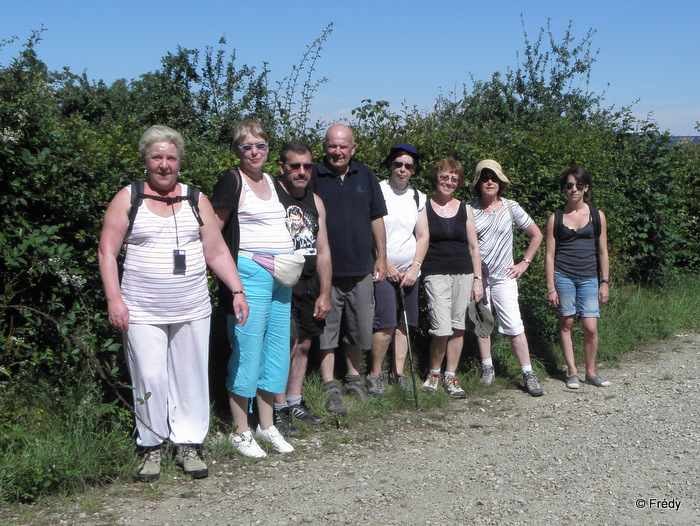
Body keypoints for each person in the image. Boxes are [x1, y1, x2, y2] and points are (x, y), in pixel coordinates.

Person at [98, 125, 249, 481]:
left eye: (170, 157)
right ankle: (151, 446)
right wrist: (114, 299)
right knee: (149, 375)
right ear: (146, 160)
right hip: (142, 309)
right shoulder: (128, 197)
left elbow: (216, 250)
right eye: (157, 157)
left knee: (190, 376)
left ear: (179, 161)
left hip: (192, 307)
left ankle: (188, 444)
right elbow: (107, 251)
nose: (164, 164)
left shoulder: (196, 199)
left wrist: (238, 290)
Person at [211, 119, 296, 458]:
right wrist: (231, 283)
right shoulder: (232, 181)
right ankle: (239, 430)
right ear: (237, 150)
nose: (255, 152)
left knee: (276, 351)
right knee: (247, 351)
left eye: (260, 145)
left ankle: (267, 425)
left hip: (281, 277)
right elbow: (213, 233)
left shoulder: (273, 182)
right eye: (247, 146)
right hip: (248, 274)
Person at [308, 124, 388, 414]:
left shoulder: (365, 175)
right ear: (325, 147)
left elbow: (376, 217)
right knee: (326, 328)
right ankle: (329, 383)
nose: (337, 151)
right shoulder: (314, 175)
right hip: (326, 271)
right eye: (332, 145)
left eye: (343, 146)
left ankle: (353, 377)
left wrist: (381, 257)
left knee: (358, 326)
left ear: (353, 149)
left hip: (361, 268)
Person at [468, 159, 544, 397]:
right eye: (484, 177)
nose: (489, 182)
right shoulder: (469, 210)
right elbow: (466, 245)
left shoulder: (511, 207)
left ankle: (528, 373)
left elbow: (536, 235)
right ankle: (487, 369)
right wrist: (474, 277)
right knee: (482, 324)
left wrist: (524, 263)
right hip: (479, 278)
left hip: (504, 278)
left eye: (494, 178)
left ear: (501, 183)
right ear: (478, 183)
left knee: (514, 325)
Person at [272, 141, 332, 435]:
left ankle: (294, 400)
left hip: (309, 282)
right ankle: (278, 407)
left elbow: (323, 250)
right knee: (286, 344)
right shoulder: (272, 196)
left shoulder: (315, 201)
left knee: (306, 342)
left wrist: (325, 292)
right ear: (282, 167)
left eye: (307, 166)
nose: (301, 171)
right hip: (281, 283)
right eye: (295, 166)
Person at [366, 143, 429, 395]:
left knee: (404, 323)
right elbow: (369, 233)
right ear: (390, 165)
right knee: (385, 323)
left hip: (409, 273)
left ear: (414, 170)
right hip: (383, 269)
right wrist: (385, 262)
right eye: (398, 164)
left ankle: (398, 373)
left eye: (408, 166)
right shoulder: (378, 191)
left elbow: (423, 236)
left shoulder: (418, 197)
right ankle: (374, 374)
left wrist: (415, 267)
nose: (402, 169)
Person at [421, 158, 483, 398]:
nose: (449, 182)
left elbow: (473, 247)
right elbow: (421, 239)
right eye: (444, 177)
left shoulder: (464, 208)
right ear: (436, 177)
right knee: (441, 327)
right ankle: (433, 373)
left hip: (463, 272)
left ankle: (451, 376)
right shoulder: (423, 206)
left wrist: (478, 279)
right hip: (435, 272)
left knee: (458, 326)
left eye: (454, 178)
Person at [545, 167, 611, 388]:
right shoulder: (556, 217)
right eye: (569, 185)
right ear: (564, 189)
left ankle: (590, 372)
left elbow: (603, 251)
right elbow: (549, 255)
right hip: (563, 276)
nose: (574, 189)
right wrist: (550, 286)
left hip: (589, 277)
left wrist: (605, 282)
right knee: (567, 322)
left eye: (579, 185)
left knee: (590, 326)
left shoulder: (596, 215)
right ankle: (572, 371)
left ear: (586, 188)